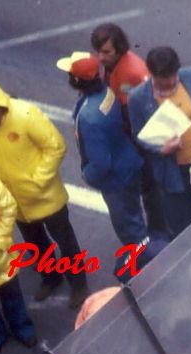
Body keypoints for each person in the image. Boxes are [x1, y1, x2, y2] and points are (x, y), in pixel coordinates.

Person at [0, 80, 89, 308]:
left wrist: (38, 180)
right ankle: (51, 277)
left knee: (65, 242)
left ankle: (78, 284)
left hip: (46, 198)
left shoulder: (25, 115)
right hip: (16, 203)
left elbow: (55, 146)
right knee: (36, 245)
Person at [128, 46, 191, 236]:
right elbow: (138, 135)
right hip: (173, 173)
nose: (172, 81)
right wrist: (161, 149)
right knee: (185, 228)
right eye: (165, 78)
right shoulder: (138, 99)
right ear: (152, 75)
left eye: (174, 74)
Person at [58, 53, 148, 253]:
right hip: (128, 162)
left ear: (76, 81)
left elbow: (100, 163)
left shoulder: (89, 117)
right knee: (133, 214)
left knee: (129, 229)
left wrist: (87, 175)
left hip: (116, 179)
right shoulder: (106, 92)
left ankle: (146, 260)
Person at [90, 22, 169, 237]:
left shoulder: (132, 72)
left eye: (106, 52)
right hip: (133, 137)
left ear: (119, 48)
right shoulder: (112, 64)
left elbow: (137, 112)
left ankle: (160, 232)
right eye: (98, 52)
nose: (101, 57)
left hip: (143, 139)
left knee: (152, 188)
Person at [0, 175, 37, 354]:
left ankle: (22, 327)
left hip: (1, 258)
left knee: (12, 296)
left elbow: (7, 206)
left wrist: (0, 242)